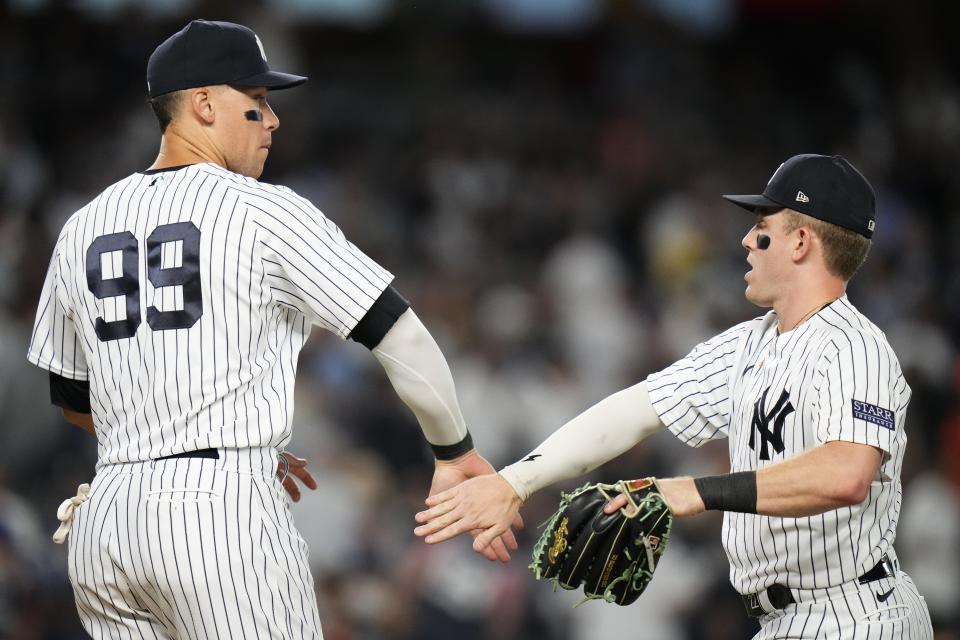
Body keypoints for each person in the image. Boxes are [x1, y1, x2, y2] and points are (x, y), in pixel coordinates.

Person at [27, 19, 518, 639]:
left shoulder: (81, 226)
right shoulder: (262, 210)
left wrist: (195, 437)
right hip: (217, 520)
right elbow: (402, 336)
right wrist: (455, 452)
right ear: (203, 104)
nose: (273, 120)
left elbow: (74, 403)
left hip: (106, 523)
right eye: (256, 103)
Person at [415, 154, 934, 638]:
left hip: (856, 613)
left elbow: (845, 475)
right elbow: (635, 410)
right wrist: (514, 482)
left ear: (800, 242)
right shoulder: (749, 343)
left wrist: (690, 491)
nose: (746, 242)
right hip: (790, 619)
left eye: (762, 229)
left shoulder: (855, 347)